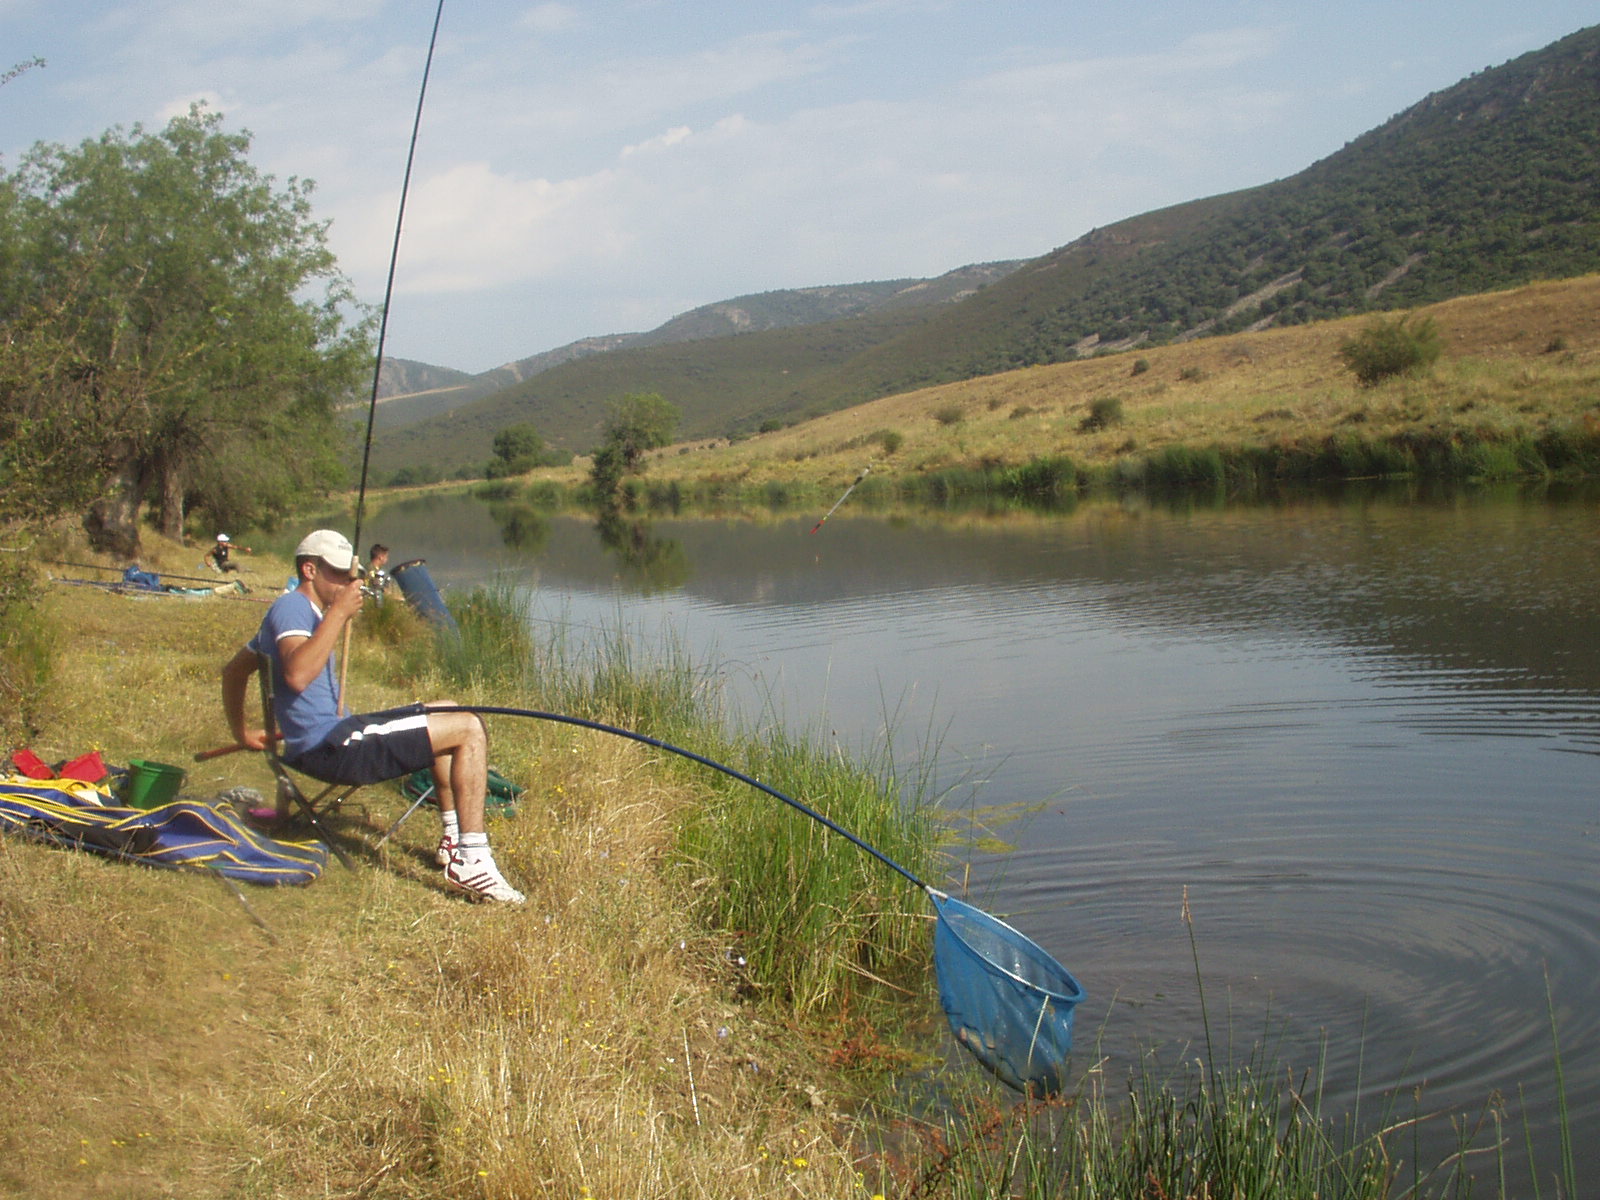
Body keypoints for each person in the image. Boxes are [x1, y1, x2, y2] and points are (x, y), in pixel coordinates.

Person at [220, 529, 524, 904]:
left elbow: (234, 671)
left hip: (334, 737)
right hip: (333, 748)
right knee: (469, 727)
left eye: (352, 574)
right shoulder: (292, 607)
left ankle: (452, 840)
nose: (350, 581)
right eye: (338, 573)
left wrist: (242, 732)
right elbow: (296, 675)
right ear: (310, 569)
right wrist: (338, 614)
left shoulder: (302, 613)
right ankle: (474, 860)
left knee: (450, 709)